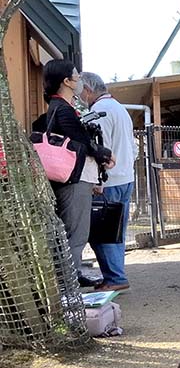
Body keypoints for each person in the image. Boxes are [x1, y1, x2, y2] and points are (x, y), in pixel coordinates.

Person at [32, 59, 112, 289]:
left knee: (74, 233)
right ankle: (68, 287)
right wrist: (104, 155)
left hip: (73, 178)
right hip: (73, 180)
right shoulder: (63, 110)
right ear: (66, 81)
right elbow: (83, 143)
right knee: (75, 234)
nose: (79, 81)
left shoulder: (58, 108)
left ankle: (72, 276)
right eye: (76, 77)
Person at [80, 73, 134, 292]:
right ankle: (116, 275)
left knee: (102, 232)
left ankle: (115, 277)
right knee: (116, 230)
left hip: (108, 180)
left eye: (81, 91)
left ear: (88, 90)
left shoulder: (99, 112)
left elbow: (102, 147)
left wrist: (98, 179)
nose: (80, 96)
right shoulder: (120, 109)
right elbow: (131, 146)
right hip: (125, 177)